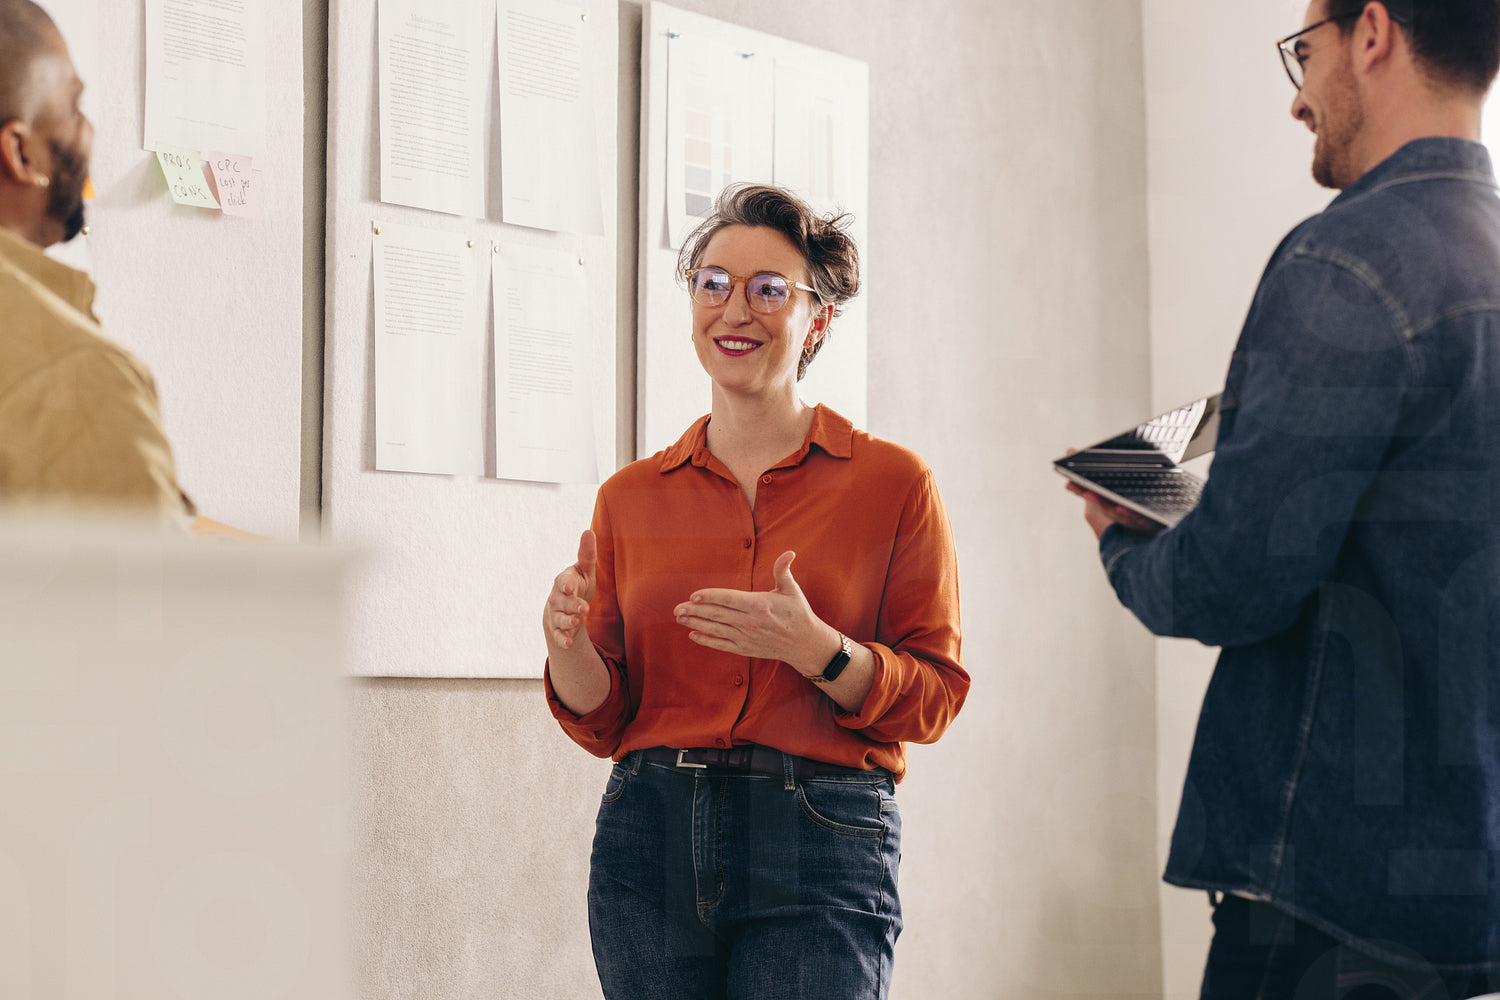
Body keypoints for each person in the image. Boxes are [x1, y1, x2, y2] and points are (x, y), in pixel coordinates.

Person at [1070, 0, 1500, 995]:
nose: (1298, 101)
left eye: (1304, 54)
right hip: (1463, 896)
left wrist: (1123, 540)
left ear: (1373, 32)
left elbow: (1232, 579)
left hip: (1329, 898)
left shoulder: (1344, 260)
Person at [543, 183, 967, 999]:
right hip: (649, 836)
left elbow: (936, 698)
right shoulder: (629, 497)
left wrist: (822, 654)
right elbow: (606, 717)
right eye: (713, 283)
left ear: (818, 319)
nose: (734, 310)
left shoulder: (894, 484)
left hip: (819, 835)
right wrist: (566, 648)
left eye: (769, 290)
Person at [0, 0, 194, 523]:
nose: (88, 130)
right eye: (74, 106)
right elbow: (151, 574)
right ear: (20, 153)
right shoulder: (78, 376)